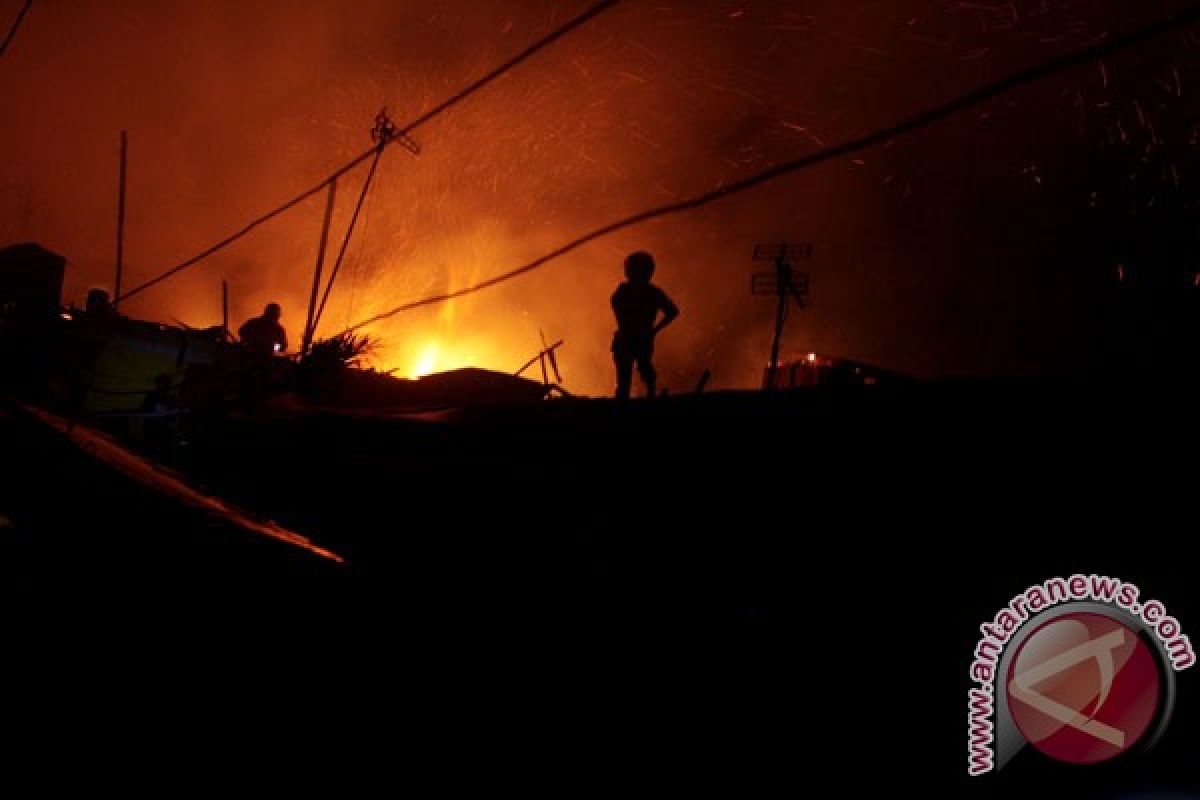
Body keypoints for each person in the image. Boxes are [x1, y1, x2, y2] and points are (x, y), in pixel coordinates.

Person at [611, 251, 679, 399]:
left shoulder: (626, 291)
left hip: (628, 339)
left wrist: (652, 330)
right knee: (643, 370)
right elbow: (672, 311)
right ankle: (649, 395)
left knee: (631, 375)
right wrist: (653, 330)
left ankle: (641, 397)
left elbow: (673, 311)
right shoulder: (651, 292)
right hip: (640, 338)